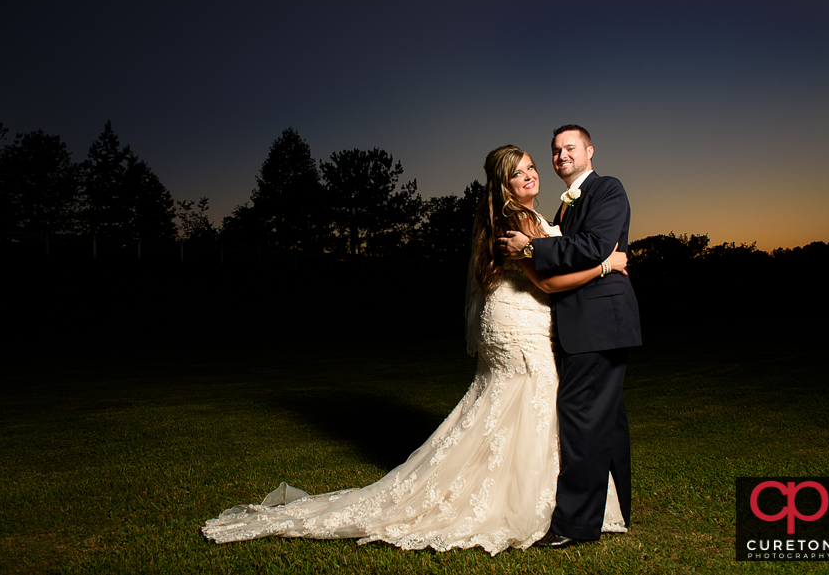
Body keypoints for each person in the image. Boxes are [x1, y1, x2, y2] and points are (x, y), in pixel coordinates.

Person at [202, 145, 629, 555]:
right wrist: (608, 265)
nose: (531, 174)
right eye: (518, 172)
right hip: (520, 326)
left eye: (531, 166)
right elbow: (549, 283)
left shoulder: (526, 214)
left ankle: (529, 495)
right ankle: (529, 505)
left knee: (506, 410)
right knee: (533, 404)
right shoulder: (516, 219)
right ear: (503, 185)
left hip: (511, 320)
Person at [497, 126, 642, 549]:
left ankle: (574, 526)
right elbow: (580, 254)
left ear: (589, 151)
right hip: (592, 323)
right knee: (608, 421)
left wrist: (530, 249)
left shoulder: (607, 189)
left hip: (599, 322)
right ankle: (617, 512)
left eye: (570, 148)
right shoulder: (562, 210)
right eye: (556, 150)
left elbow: (595, 245)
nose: (561, 155)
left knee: (579, 417)